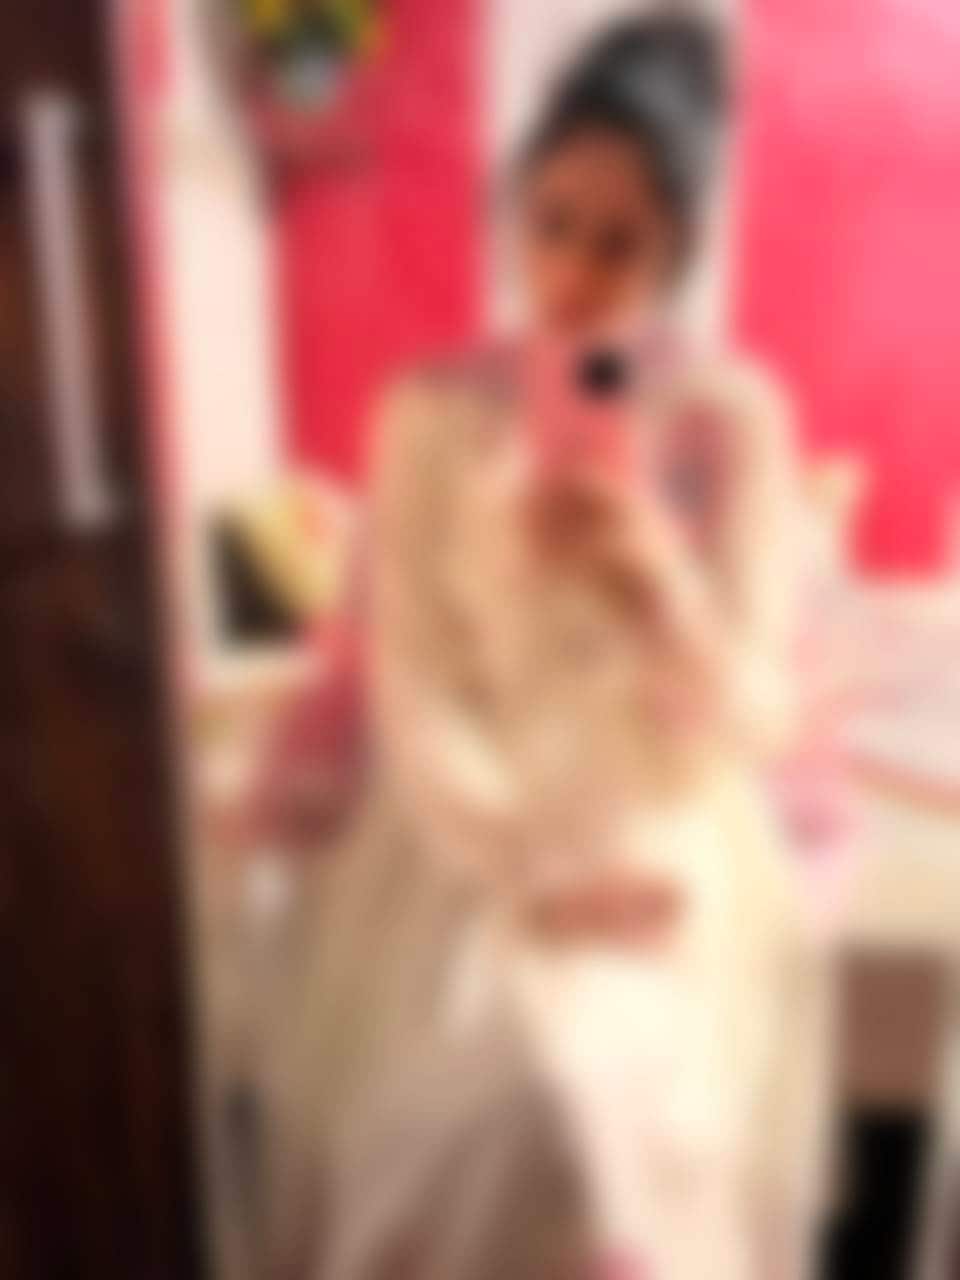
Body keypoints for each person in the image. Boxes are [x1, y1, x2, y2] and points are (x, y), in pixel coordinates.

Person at [265, 12, 832, 1279]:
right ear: (512, 216)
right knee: (499, 1104)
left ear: (679, 249)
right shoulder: (428, 412)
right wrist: (531, 870)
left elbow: (756, 713)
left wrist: (654, 582)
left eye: (620, 240)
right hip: (470, 824)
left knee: (640, 1116)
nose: (571, 269)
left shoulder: (733, 416)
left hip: (665, 824)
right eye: (550, 220)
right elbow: (415, 686)